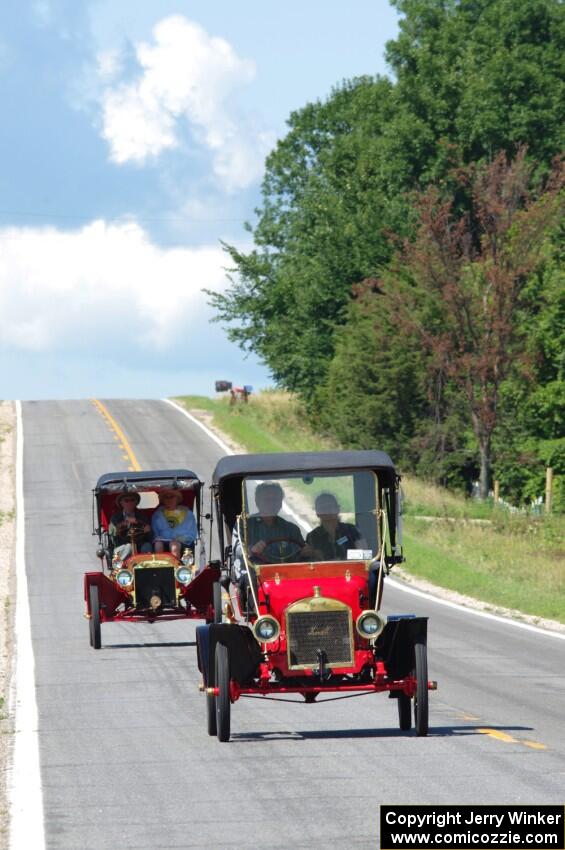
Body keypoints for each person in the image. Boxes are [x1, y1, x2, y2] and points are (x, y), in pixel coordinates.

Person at [231, 481, 312, 612]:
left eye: (275, 499)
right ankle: (262, 619)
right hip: (258, 574)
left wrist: (306, 552)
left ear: (280, 502)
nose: (270, 503)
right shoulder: (244, 525)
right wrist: (251, 549)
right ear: (257, 501)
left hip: (288, 574)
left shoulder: (291, 528)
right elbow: (237, 549)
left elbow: (302, 551)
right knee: (250, 577)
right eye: (266, 499)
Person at [306, 492, 366, 561]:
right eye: (323, 507)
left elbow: (366, 554)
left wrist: (343, 558)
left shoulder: (351, 530)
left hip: (351, 570)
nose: (327, 511)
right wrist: (314, 554)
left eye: (330, 506)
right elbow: (310, 565)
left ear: (338, 509)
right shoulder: (312, 536)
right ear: (317, 512)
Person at [151, 489, 197, 560]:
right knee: (158, 544)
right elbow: (154, 532)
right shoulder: (157, 514)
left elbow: (192, 534)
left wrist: (179, 538)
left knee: (174, 545)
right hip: (163, 540)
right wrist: (157, 537)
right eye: (166, 497)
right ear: (163, 500)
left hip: (182, 541)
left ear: (177, 499)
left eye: (172, 497)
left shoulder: (187, 514)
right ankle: (159, 568)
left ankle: (177, 569)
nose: (169, 499)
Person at [109, 492, 152, 561]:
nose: (129, 502)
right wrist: (122, 524)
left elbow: (149, 533)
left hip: (139, 543)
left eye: (132, 500)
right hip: (121, 545)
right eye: (126, 500)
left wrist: (147, 529)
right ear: (121, 503)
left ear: (136, 502)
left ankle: (145, 568)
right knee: (129, 547)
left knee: (147, 546)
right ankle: (120, 568)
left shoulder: (142, 516)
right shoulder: (115, 517)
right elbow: (112, 533)